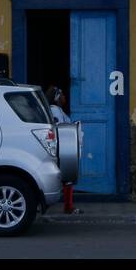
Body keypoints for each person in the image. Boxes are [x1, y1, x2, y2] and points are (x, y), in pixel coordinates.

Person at [45, 86, 80, 215]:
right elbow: (60, 129)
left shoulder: (58, 110)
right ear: (57, 98)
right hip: (63, 148)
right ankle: (68, 207)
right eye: (63, 95)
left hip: (64, 147)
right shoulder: (55, 112)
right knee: (67, 178)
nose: (65, 98)